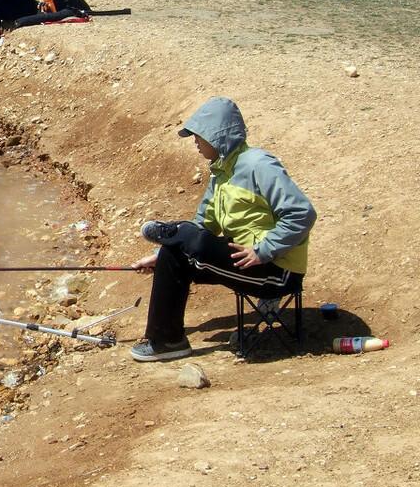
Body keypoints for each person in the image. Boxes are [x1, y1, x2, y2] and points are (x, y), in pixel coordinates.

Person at [129, 97, 316, 362]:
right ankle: (167, 341)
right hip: (243, 263)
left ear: (217, 135)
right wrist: (160, 257)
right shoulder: (220, 173)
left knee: (189, 238)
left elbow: (302, 213)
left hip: (276, 271)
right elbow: (203, 225)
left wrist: (263, 251)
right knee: (175, 251)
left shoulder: (257, 164)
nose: (195, 141)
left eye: (199, 136)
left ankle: (168, 232)